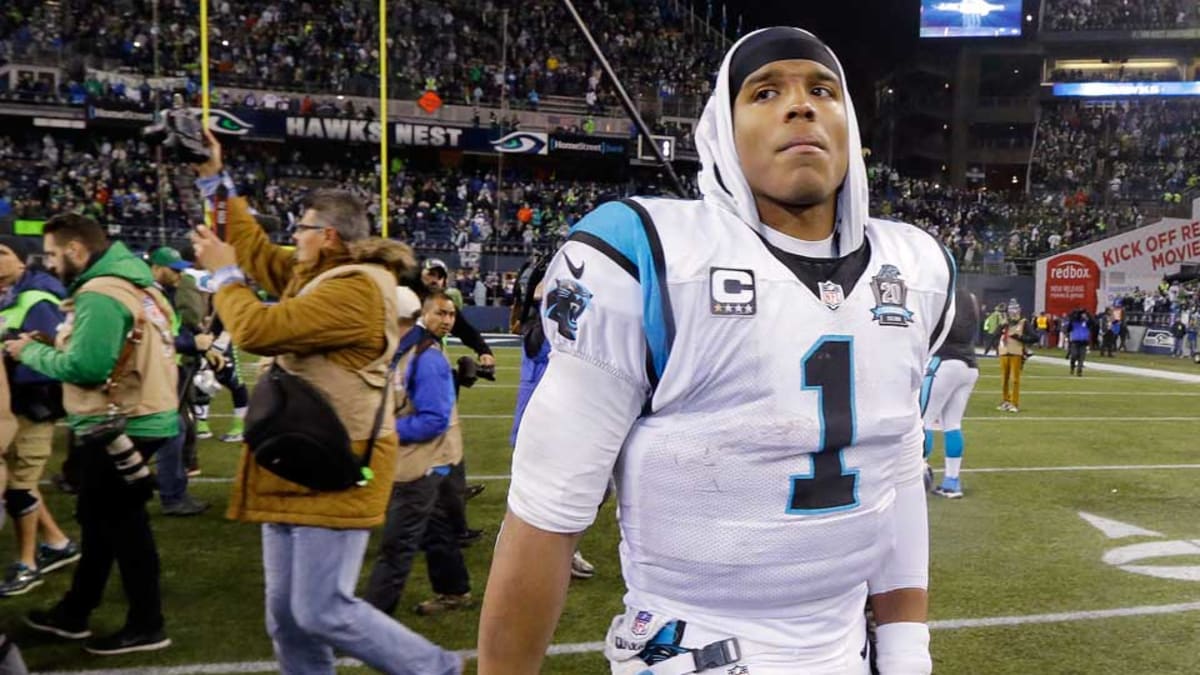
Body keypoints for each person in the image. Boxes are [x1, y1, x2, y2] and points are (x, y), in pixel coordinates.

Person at [479, 27, 955, 674]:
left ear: (850, 123)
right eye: (765, 91)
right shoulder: (648, 252)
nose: (801, 105)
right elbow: (547, 512)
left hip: (844, 648)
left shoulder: (916, 267)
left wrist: (906, 649)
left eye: (823, 89)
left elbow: (896, 468)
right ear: (722, 132)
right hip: (691, 649)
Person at [188, 130, 461, 675]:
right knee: (286, 619)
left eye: (301, 227)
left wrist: (223, 276)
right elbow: (251, 246)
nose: (293, 236)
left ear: (329, 236)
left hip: (339, 459)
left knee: (322, 610)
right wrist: (213, 176)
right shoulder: (320, 274)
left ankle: (436, 669)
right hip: (299, 454)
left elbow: (258, 329)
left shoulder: (357, 288)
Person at [5, 214, 178, 655]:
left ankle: (147, 623)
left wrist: (32, 351)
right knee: (100, 523)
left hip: (121, 422)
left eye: (52, 253)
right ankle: (75, 612)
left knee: (124, 528)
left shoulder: (101, 293)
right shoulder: (137, 284)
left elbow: (88, 369)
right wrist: (58, 343)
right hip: (141, 414)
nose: (48, 261)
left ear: (76, 250)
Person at [364, 291, 474, 618]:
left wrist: (386, 431)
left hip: (423, 462)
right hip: (423, 459)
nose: (448, 321)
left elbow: (434, 420)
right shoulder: (406, 350)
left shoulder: (425, 357)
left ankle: (370, 619)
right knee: (436, 527)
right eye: (442, 314)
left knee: (396, 544)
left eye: (451, 315)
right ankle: (454, 591)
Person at [0, 235, 80, 597]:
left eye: (1, 253)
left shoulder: (36, 298)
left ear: (21, 261)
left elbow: (51, 357)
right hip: (11, 404)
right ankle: (58, 542)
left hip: (30, 404)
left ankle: (28, 564)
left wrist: (11, 354)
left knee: (20, 485)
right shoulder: (11, 296)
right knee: (22, 480)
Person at [145, 247, 208, 515]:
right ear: (157, 268)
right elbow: (153, 335)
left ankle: (172, 492)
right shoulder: (147, 296)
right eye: (174, 269)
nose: (179, 275)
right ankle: (171, 496)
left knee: (175, 429)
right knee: (171, 431)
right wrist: (190, 342)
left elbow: (171, 328)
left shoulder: (162, 293)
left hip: (164, 369)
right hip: (150, 373)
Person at [921, 288, 980, 499]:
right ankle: (952, 481)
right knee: (953, 424)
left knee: (923, 421)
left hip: (944, 361)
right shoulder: (969, 297)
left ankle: (916, 475)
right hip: (969, 364)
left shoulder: (937, 291)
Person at [997, 300, 1027, 413]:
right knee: (1004, 379)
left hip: (1016, 352)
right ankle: (1006, 401)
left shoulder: (1023, 322)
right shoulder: (1006, 322)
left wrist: (1020, 338)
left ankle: (1015, 403)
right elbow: (997, 333)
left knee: (1015, 380)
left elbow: (1034, 337)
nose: (1013, 312)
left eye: (1015, 309)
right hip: (1004, 352)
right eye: (1011, 310)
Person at [1065, 309, 1093, 376]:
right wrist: (1079, 313)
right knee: (1074, 355)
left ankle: (1079, 371)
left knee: (1081, 357)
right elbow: (1069, 328)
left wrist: (1087, 314)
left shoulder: (1087, 323)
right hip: (1075, 341)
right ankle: (1072, 367)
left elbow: (1093, 322)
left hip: (1083, 342)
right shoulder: (1074, 322)